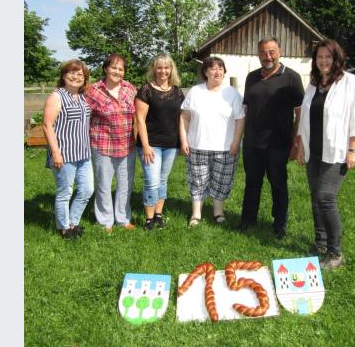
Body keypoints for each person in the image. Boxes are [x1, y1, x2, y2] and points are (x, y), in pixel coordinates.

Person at [296, 39, 355, 270]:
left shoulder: (349, 82)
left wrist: (353, 149)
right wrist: (300, 145)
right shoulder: (314, 84)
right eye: (320, 57)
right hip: (314, 151)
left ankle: (335, 253)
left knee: (325, 197)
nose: (324, 61)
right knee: (315, 197)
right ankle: (320, 244)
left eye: (328, 57)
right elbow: (305, 117)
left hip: (336, 152)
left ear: (337, 59)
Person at [239, 37, 305, 239]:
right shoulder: (251, 78)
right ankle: (248, 221)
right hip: (252, 144)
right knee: (252, 184)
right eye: (263, 52)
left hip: (278, 144)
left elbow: (300, 114)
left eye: (272, 52)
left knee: (278, 184)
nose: (267, 56)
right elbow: (247, 109)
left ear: (279, 52)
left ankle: (279, 224)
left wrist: (296, 143)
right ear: (258, 54)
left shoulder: (292, 78)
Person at [180, 56, 246, 228]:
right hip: (197, 145)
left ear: (224, 72)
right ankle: (196, 214)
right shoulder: (195, 91)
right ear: (206, 72)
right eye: (213, 68)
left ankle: (218, 212)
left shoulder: (232, 94)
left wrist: (236, 141)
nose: (217, 72)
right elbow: (185, 117)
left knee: (221, 181)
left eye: (220, 68)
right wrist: (183, 139)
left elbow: (240, 119)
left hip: (225, 148)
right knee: (198, 181)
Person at [42, 59, 94, 239]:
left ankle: (73, 222)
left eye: (80, 74)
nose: (76, 77)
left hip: (83, 153)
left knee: (87, 190)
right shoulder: (57, 96)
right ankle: (64, 228)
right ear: (64, 75)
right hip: (64, 154)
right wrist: (55, 153)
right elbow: (47, 125)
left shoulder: (82, 97)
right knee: (65, 192)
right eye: (72, 73)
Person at [85, 53, 138, 232]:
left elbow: (139, 115)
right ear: (106, 69)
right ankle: (105, 220)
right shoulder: (94, 91)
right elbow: (84, 117)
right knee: (103, 184)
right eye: (113, 67)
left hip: (127, 144)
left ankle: (123, 218)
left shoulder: (130, 89)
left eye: (120, 69)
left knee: (126, 184)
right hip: (102, 144)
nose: (117, 71)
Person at [135, 53, 185, 230]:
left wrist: (183, 142)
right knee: (152, 181)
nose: (163, 71)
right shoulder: (146, 90)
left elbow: (181, 119)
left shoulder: (178, 92)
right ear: (154, 69)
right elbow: (140, 119)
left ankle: (158, 215)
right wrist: (146, 145)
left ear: (171, 69)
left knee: (163, 180)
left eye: (167, 67)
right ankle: (148, 220)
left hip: (171, 145)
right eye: (159, 67)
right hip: (151, 145)